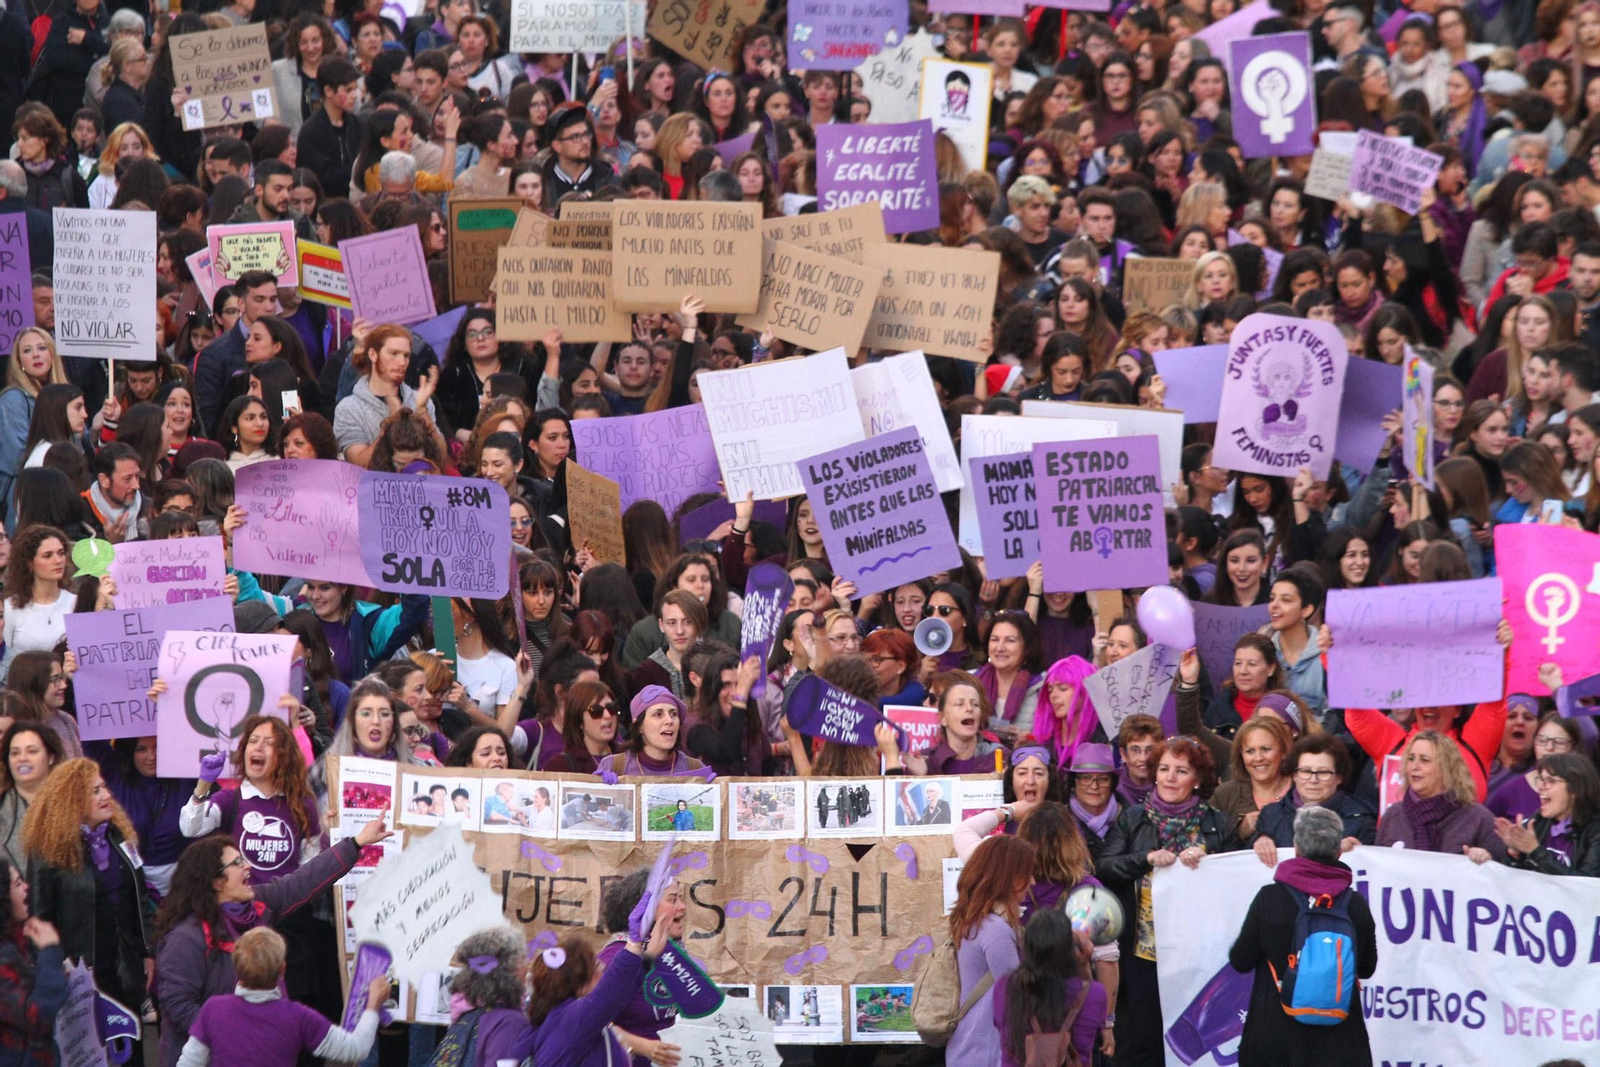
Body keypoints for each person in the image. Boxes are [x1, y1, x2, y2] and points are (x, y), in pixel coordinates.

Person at [152, 818, 393, 1067]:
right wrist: (236, 1031)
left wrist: (356, 843)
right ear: (216, 882)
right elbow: (176, 1005)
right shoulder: (185, 939)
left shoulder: (257, 903)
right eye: (237, 863)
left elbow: (300, 883)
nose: (247, 867)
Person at [1098, 736, 1237, 1067]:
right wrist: (1144, 858)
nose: (1170, 777)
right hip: (1142, 951)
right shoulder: (1132, 818)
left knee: (1191, 1042)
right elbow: (1103, 867)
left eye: (1181, 770)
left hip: (1197, 953)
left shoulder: (1217, 824)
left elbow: (1236, 880)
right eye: (1164, 769)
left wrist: (1210, 858)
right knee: (1142, 1041)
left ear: (1198, 779)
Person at [1228, 805, 1379, 1067]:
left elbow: (1240, 960)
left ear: (1296, 848)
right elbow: (1367, 968)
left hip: (1274, 1037)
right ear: (1339, 851)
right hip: (1341, 1042)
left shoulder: (1270, 898)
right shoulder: (1355, 904)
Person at [22, 758, 151, 1037]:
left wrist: (148, 952)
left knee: (131, 1044)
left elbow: (139, 899)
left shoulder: (120, 837)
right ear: (72, 800)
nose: (106, 795)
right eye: (94, 791)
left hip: (126, 965)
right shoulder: (48, 854)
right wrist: (52, 969)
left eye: (103, 787)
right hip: (81, 972)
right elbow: (39, 918)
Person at [174, 927, 384, 1067]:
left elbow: (188, 1063)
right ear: (282, 969)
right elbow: (356, 1049)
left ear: (236, 968)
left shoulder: (213, 1010)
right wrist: (372, 1005)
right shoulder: (298, 1017)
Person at [527, 910, 671, 1067]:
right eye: (595, 966)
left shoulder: (568, 1019)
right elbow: (611, 992)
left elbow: (619, 993)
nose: (602, 966)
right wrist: (637, 946)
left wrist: (646, 959)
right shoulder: (572, 1018)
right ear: (580, 986)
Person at [945, 834, 1034, 1067]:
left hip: (971, 1049)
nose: (1033, 882)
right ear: (1012, 877)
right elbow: (1018, 992)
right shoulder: (996, 929)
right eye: (1028, 873)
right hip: (987, 1053)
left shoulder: (978, 921)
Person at [583, 868, 686, 1066]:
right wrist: (644, 1047)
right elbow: (589, 1020)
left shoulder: (670, 956)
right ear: (646, 910)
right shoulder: (615, 958)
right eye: (672, 900)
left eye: (680, 899)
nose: (682, 907)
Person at [993, 909, 1107, 1067]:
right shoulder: (1094, 993)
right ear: (1070, 948)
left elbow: (1001, 1028)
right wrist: (1085, 964)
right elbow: (1096, 1030)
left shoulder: (1004, 987)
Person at [1377, 731, 1506, 859]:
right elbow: (1377, 868)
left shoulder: (1479, 819)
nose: (1414, 766)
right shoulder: (1392, 816)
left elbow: (1502, 871)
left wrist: (1486, 861)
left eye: (1424, 760)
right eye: (1411, 759)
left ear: (1446, 768)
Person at [1252, 735, 1377, 864]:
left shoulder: (1360, 819)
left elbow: (1373, 870)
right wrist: (1259, 840)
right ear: (1294, 775)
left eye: (1323, 773)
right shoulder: (1271, 814)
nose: (1313, 780)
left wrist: (1359, 851)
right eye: (1305, 771)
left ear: (1339, 777)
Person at [1482, 752, 1600, 875]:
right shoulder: (1537, 822)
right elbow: (1513, 884)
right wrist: (1514, 852)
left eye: (1551, 781)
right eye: (1541, 780)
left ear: (1575, 789)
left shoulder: (1595, 831)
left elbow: (1586, 885)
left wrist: (1534, 851)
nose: (1541, 787)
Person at [0, 855, 66, 1067]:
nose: (27, 887)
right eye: (18, 884)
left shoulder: (15, 939)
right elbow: (38, 1017)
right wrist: (49, 952)